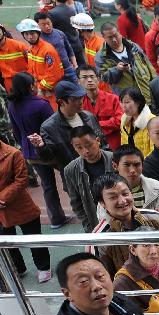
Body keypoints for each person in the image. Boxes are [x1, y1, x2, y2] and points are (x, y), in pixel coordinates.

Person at [8, 73, 69, 229]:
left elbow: (15, 131)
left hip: (30, 152)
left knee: (48, 185)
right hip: (49, 150)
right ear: (30, 86)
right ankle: (80, 208)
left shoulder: (13, 105)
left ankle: (56, 218)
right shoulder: (41, 104)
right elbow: (53, 128)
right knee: (68, 178)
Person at [89, 172, 159, 275]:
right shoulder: (98, 238)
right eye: (113, 197)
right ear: (102, 203)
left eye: (125, 194)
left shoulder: (154, 218)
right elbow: (102, 277)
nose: (122, 201)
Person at [33, 81, 107, 191]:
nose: (80, 102)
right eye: (74, 99)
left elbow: (103, 142)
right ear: (61, 102)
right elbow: (49, 158)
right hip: (76, 181)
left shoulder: (88, 116)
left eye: (81, 97)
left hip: (100, 173)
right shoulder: (49, 127)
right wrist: (41, 147)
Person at [0, 140, 52, 283]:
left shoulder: (13, 153)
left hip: (20, 205)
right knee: (7, 242)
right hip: (1, 212)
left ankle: (43, 267)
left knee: (33, 238)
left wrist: (2, 198)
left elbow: (21, 180)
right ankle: (18, 268)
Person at [63, 126, 114, 231]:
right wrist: (88, 225)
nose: (86, 151)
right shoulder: (71, 170)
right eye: (79, 147)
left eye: (89, 145)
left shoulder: (115, 159)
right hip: (95, 222)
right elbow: (76, 202)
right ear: (74, 148)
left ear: (98, 141)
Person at [95, 23, 156, 103]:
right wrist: (117, 70)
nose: (114, 40)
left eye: (115, 35)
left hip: (147, 94)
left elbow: (148, 65)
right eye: (110, 37)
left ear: (119, 33)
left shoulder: (133, 46)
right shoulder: (102, 57)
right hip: (128, 101)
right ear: (104, 38)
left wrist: (155, 84)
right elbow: (104, 78)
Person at [111, 145, 159, 222]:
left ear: (142, 165)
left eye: (137, 164)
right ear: (115, 166)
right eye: (127, 165)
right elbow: (108, 227)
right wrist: (152, 216)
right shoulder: (107, 194)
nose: (132, 170)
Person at [73, 65, 122, 153]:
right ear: (78, 81)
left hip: (115, 145)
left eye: (92, 77)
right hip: (90, 148)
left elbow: (120, 121)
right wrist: (110, 122)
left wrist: (95, 125)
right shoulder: (78, 104)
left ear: (98, 79)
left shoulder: (113, 99)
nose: (89, 80)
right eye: (84, 77)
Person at [16, 18, 65, 103]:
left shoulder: (47, 50)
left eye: (32, 33)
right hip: (38, 89)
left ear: (38, 33)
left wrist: (40, 88)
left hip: (49, 92)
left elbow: (54, 75)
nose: (30, 37)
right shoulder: (31, 48)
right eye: (26, 34)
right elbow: (31, 70)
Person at [34, 12, 78, 83]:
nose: (47, 26)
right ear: (37, 25)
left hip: (68, 69)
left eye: (49, 23)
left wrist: (75, 66)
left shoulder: (60, 33)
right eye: (43, 24)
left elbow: (69, 50)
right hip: (52, 73)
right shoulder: (37, 39)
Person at [119, 87, 156, 157]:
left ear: (138, 103)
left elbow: (154, 150)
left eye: (127, 102)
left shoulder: (152, 121)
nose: (124, 106)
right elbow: (124, 145)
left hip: (148, 164)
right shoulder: (124, 122)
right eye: (121, 102)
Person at [0, 25, 30, 94]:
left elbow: (34, 63)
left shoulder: (19, 46)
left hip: (25, 81)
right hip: (8, 84)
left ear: (3, 32)